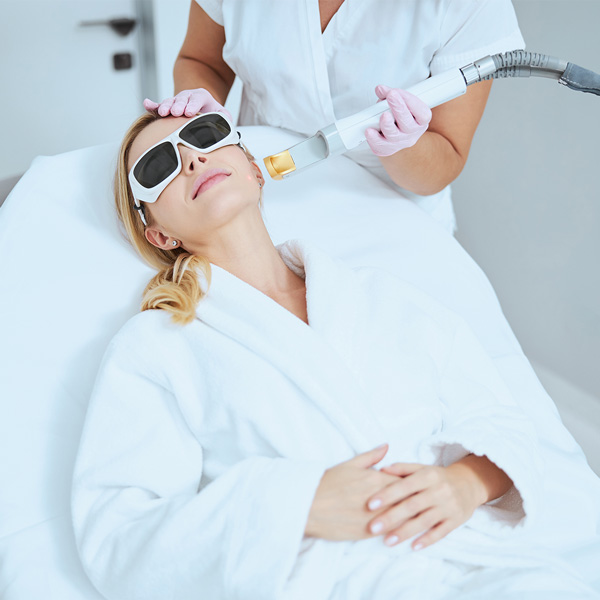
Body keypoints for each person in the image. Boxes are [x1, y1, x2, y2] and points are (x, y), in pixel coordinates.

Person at [70, 111, 600, 600]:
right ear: (157, 231)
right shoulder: (156, 347)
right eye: (158, 164)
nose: (191, 157)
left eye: (205, 135)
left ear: (254, 169)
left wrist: (465, 483)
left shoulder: (383, 297)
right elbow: (120, 536)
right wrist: (296, 506)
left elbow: (498, 417)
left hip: (485, 569)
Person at [144, 0, 526, 235]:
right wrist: (201, 117)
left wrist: (402, 145)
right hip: (262, 190)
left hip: (392, 211)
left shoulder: (471, 6)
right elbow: (201, 60)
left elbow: (446, 155)